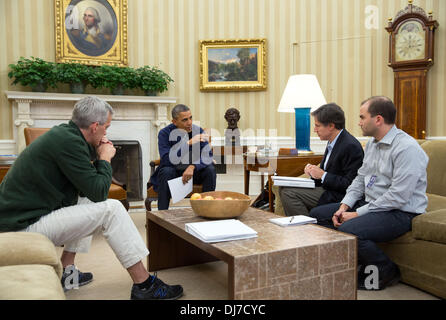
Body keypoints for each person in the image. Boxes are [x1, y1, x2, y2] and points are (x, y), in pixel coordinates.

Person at [0, 96, 183, 300]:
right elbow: (98, 191)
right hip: (19, 229)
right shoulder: (68, 143)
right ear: (95, 126)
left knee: (88, 203)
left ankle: (67, 270)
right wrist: (105, 157)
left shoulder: (67, 135)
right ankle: (144, 284)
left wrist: (97, 152)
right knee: (111, 209)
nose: (107, 132)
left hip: (23, 217)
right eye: (106, 127)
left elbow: (88, 190)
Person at [310, 96, 429, 290]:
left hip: (401, 211)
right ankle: (345, 265)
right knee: (317, 216)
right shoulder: (373, 143)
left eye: (362, 117)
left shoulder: (407, 149)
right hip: (372, 204)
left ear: (378, 119)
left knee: (350, 229)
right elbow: (360, 179)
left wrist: (356, 214)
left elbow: (397, 197)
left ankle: (386, 270)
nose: (358, 122)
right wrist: (344, 206)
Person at [279, 103, 364, 216]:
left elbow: (350, 184)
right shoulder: (332, 141)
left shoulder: (350, 145)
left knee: (288, 193)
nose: (315, 130)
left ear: (331, 126)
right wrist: (313, 172)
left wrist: (323, 175)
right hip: (326, 188)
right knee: (283, 188)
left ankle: (304, 229)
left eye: (317, 126)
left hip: (337, 195)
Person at [150, 104, 216, 210]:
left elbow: (207, 156)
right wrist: (187, 144)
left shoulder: (198, 131)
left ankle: (207, 211)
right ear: (174, 122)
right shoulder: (164, 133)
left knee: (210, 169)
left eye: (190, 118)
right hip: (174, 172)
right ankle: (162, 215)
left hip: (194, 172)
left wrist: (192, 166)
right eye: (185, 120)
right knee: (166, 171)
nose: (189, 122)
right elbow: (166, 159)